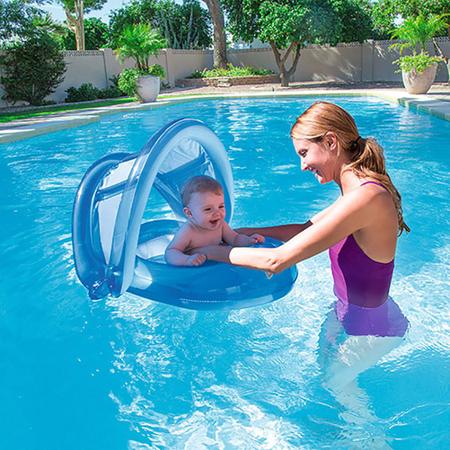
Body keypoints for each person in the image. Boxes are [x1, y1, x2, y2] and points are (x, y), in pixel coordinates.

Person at [165, 175, 265, 266]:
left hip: (215, 267)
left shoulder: (221, 225)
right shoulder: (188, 231)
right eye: (208, 209)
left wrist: (249, 240)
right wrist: (187, 260)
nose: (217, 213)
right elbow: (171, 252)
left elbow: (235, 239)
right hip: (194, 273)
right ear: (189, 213)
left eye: (221, 206)